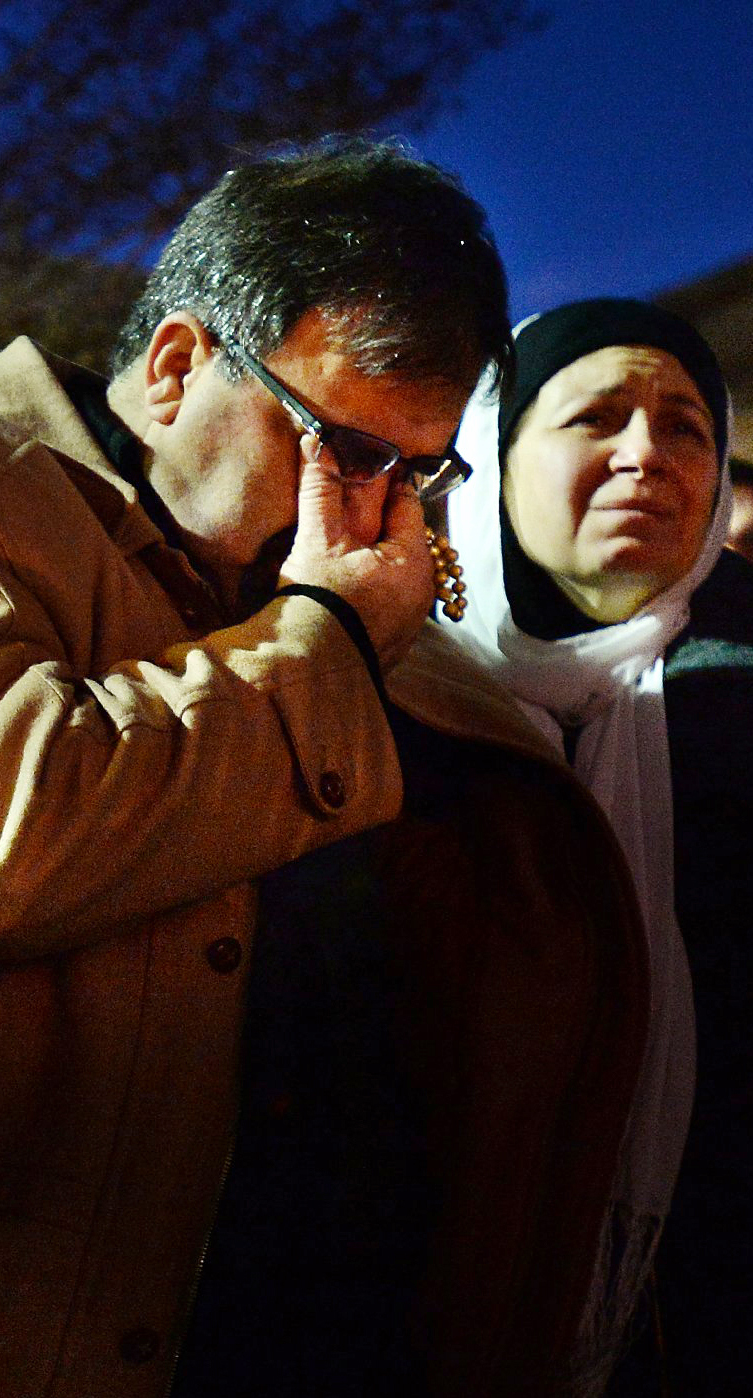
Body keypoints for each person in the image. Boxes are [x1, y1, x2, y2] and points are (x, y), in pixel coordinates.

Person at [0, 141, 650, 1398]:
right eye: (344, 451)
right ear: (180, 362)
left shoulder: (334, 607)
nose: (371, 520)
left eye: (421, 474)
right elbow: (1, 842)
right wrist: (333, 641)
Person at [443, 298, 751, 1392]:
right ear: (491, 453)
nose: (645, 455)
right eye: (597, 417)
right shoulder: (377, 697)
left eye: (685, 427)